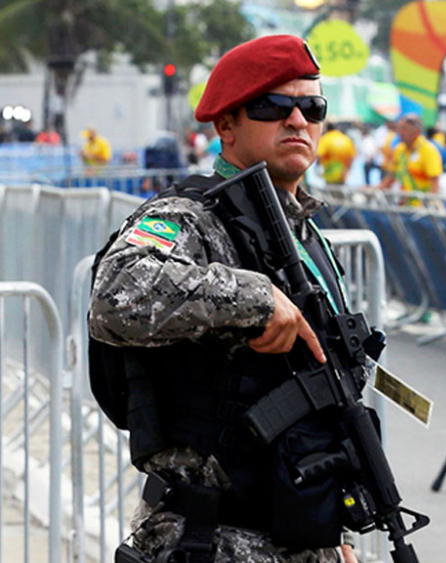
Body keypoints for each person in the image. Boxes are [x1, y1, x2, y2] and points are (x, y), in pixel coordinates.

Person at [89, 35, 363, 563]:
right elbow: (115, 292)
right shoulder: (191, 217)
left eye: (313, 106)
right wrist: (255, 297)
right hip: (213, 539)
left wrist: (335, 535)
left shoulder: (305, 234)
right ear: (227, 126)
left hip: (301, 532)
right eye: (272, 107)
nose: (297, 121)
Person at [375, 113, 442, 194]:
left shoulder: (429, 150)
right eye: (399, 129)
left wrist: (425, 204)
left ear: (416, 132)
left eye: (404, 129)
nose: (400, 132)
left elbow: (435, 186)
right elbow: (390, 178)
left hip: (422, 204)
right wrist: (374, 190)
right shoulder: (398, 149)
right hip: (404, 204)